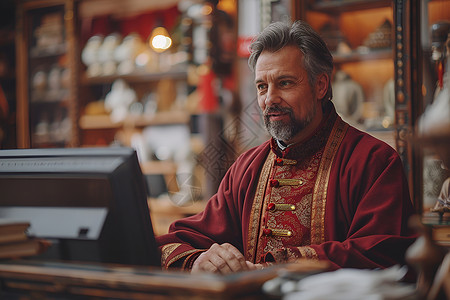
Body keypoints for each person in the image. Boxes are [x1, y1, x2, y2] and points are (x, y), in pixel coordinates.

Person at [155, 20, 417, 274]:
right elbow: (175, 241)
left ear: (321, 85)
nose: (270, 99)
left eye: (285, 83)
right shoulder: (247, 167)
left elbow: (382, 253)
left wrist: (279, 266)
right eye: (262, 86)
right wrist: (202, 260)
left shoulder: (374, 161)